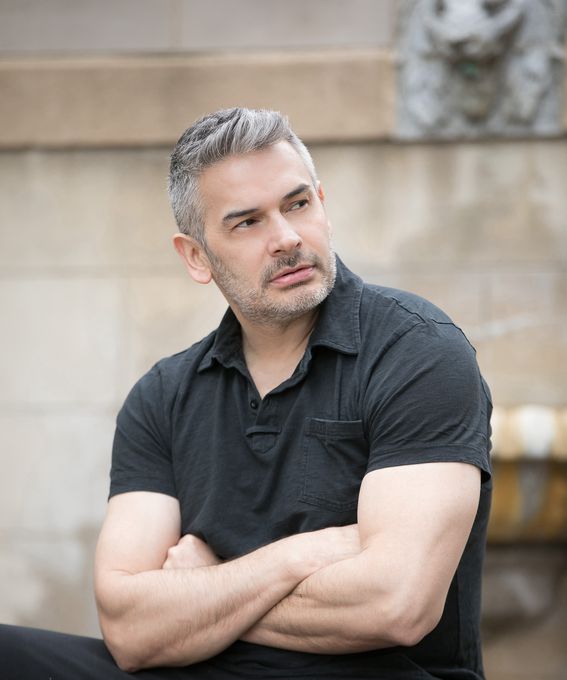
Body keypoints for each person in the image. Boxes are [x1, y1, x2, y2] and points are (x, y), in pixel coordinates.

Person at [0, 107, 492, 680]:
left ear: (322, 204)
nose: (286, 238)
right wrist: (298, 556)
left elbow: (395, 605)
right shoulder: (162, 395)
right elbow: (129, 629)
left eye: (297, 204)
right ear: (196, 256)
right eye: (247, 222)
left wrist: (200, 594)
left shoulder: (418, 351)